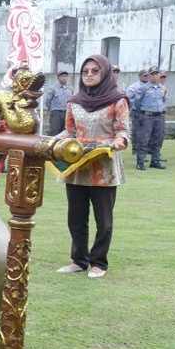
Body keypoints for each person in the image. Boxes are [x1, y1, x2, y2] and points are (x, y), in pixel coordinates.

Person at [54, 54, 128, 280]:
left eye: (95, 71)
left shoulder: (117, 100)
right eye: (85, 71)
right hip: (77, 167)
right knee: (76, 218)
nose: (89, 75)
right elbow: (70, 132)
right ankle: (79, 260)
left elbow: (122, 130)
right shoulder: (74, 102)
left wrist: (118, 142)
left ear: (104, 73)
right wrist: (51, 141)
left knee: (103, 220)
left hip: (103, 168)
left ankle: (99, 262)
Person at [130, 67, 167, 170]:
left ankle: (155, 161)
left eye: (156, 74)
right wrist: (141, 114)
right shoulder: (143, 88)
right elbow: (137, 103)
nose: (155, 76)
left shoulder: (162, 88)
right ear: (149, 76)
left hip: (159, 116)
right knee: (143, 139)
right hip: (147, 116)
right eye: (152, 74)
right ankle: (140, 162)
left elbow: (163, 100)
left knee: (158, 139)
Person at [125, 70, 151, 154]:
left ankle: (146, 150)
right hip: (137, 112)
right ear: (140, 76)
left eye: (148, 75)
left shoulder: (151, 86)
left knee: (147, 132)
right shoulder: (134, 87)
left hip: (148, 113)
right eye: (145, 76)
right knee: (137, 131)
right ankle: (135, 149)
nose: (147, 77)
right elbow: (128, 99)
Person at [45, 69, 72, 136]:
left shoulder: (70, 88)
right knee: (55, 131)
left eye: (66, 76)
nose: (64, 78)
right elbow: (48, 101)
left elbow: (71, 101)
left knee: (65, 132)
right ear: (58, 77)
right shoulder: (53, 88)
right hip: (56, 113)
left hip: (66, 113)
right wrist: (52, 110)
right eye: (62, 76)